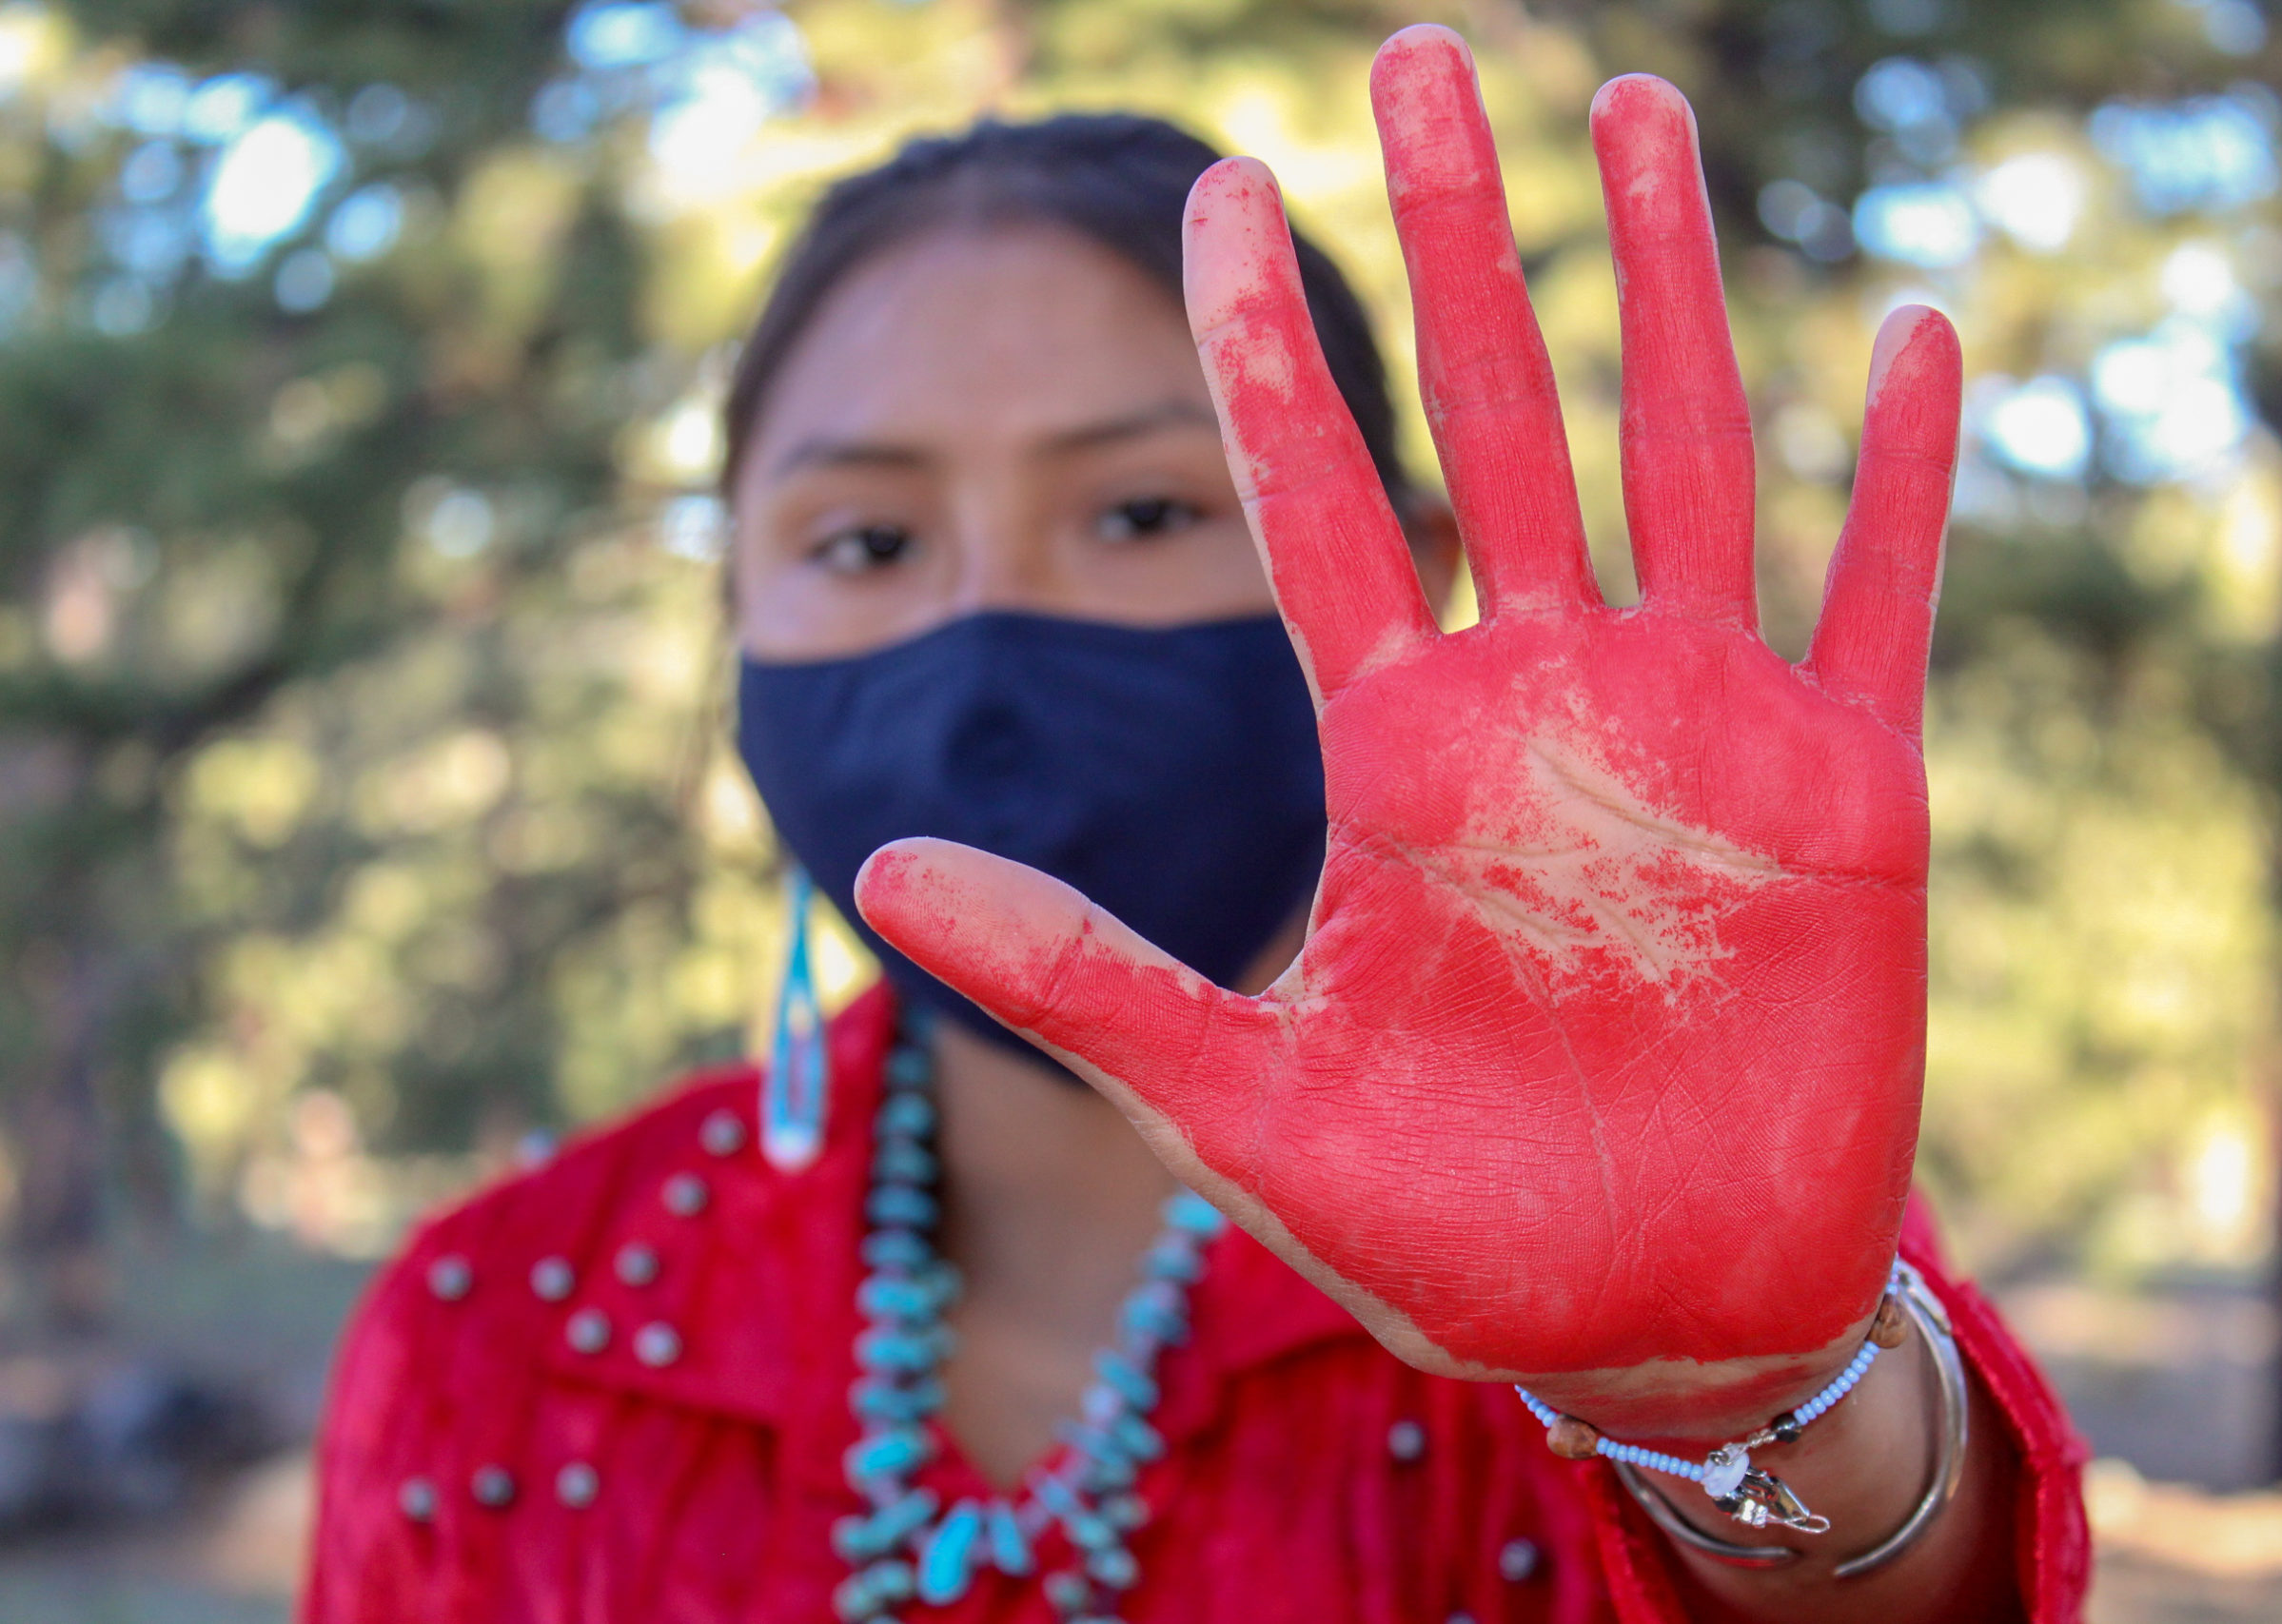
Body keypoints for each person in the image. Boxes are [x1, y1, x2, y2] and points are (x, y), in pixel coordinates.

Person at [306, 26, 2088, 1624]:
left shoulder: (1659, 1209)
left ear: (1412, 578)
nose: (989, 639)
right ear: (738, 623)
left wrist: (1732, 1411)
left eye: (1145, 512)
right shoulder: (502, 1333)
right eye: (864, 543)